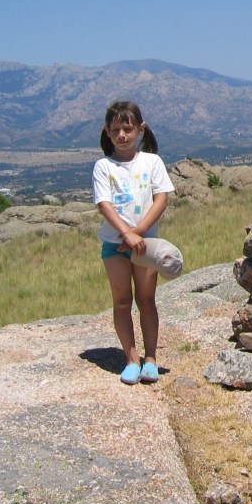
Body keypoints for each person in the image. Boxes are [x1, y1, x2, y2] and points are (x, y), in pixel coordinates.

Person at [92, 100, 175, 385]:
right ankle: (131, 359)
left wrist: (137, 232)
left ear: (140, 130)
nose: (122, 136)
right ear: (107, 131)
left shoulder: (152, 162)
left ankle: (150, 358)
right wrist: (125, 234)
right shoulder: (103, 166)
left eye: (127, 129)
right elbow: (104, 204)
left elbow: (161, 198)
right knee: (122, 301)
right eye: (115, 130)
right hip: (115, 244)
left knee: (146, 300)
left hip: (146, 244)